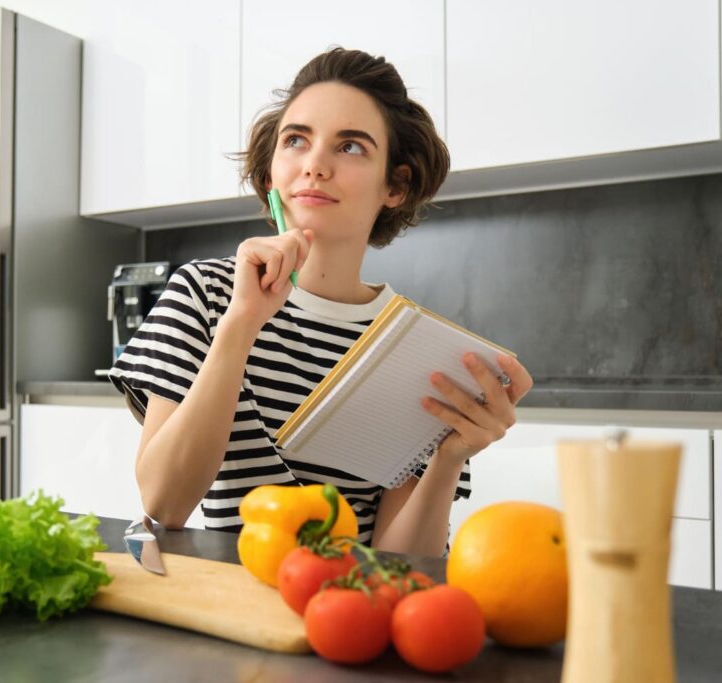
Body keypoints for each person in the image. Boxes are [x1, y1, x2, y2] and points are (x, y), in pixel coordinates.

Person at [108, 47, 533, 557]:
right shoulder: (205, 294)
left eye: (350, 146)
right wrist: (240, 323)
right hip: (229, 592)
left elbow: (401, 564)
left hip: (349, 600)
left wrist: (448, 458)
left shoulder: (411, 348)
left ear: (395, 185)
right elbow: (164, 505)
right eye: (295, 141)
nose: (314, 165)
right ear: (271, 173)